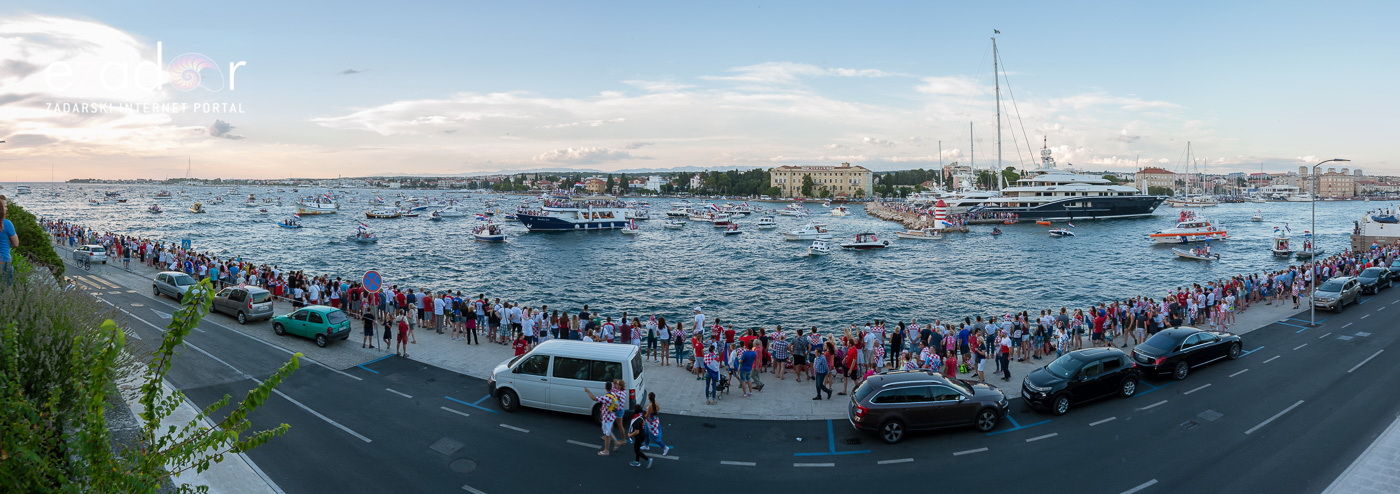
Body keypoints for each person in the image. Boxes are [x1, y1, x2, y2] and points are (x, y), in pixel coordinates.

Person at [583, 383, 620, 456]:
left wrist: (588, 391)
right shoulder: (613, 394)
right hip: (612, 416)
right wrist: (603, 408)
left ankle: (606, 451)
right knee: (607, 431)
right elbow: (608, 404)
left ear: (605, 388)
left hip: (607, 419)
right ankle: (616, 442)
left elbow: (594, 398)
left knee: (607, 435)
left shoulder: (606, 397)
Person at [0, 196, 16, 286]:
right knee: (5, 291)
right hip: (4, 261)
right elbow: (16, 243)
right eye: (5, 206)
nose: (7, 209)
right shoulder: (6, 223)